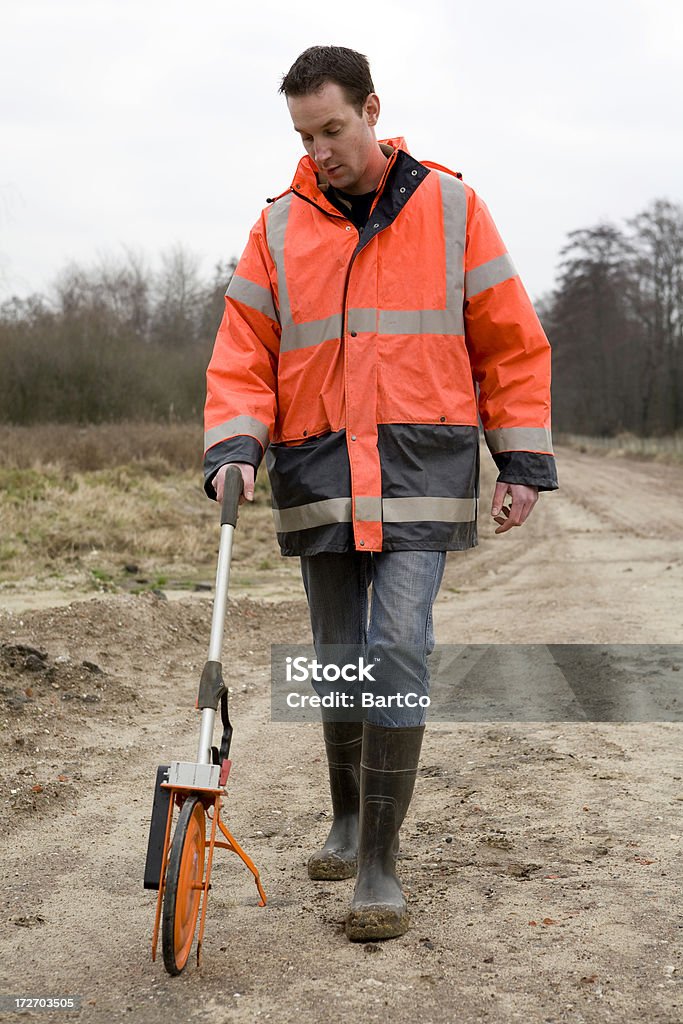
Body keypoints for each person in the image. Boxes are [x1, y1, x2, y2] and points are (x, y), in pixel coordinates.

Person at [203, 45, 558, 942]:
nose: (319, 150)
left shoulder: (450, 206)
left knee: (395, 648)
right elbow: (243, 349)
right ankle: (349, 814)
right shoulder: (277, 228)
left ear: (370, 110)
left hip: (419, 469)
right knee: (336, 654)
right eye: (303, 134)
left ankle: (380, 864)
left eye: (332, 129)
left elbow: (509, 343)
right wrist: (234, 446)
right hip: (318, 470)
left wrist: (518, 461)